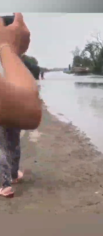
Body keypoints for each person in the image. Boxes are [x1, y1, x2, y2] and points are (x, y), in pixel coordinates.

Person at [0, 13, 42, 197]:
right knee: (11, 142)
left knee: (10, 142)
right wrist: (6, 47)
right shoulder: (7, 56)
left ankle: (9, 177)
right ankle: (5, 182)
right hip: (10, 103)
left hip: (8, 102)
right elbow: (31, 108)